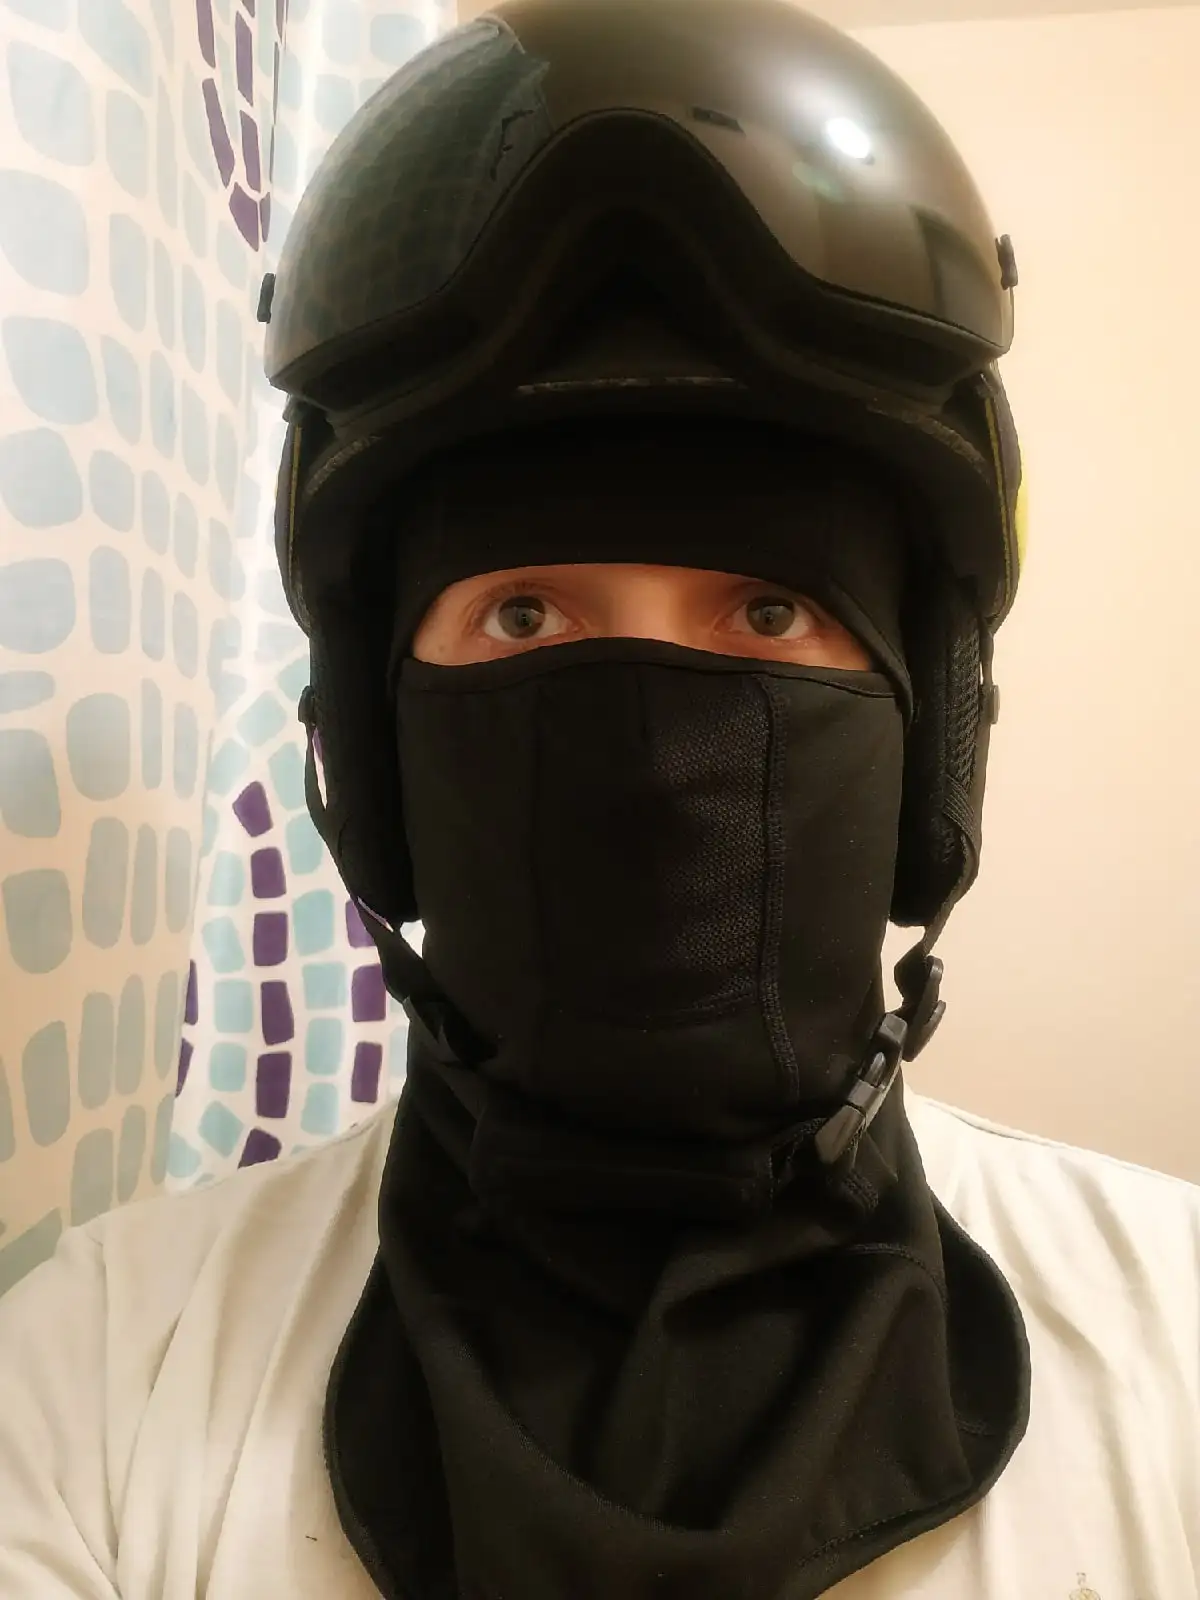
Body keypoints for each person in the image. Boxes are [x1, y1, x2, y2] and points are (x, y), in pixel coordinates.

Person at [1, 1, 1197, 1596]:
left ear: (931, 750)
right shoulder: (97, 1363)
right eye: (524, 618)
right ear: (375, 753)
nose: (647, 744)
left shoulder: (1175, 1336)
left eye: (768, 612)